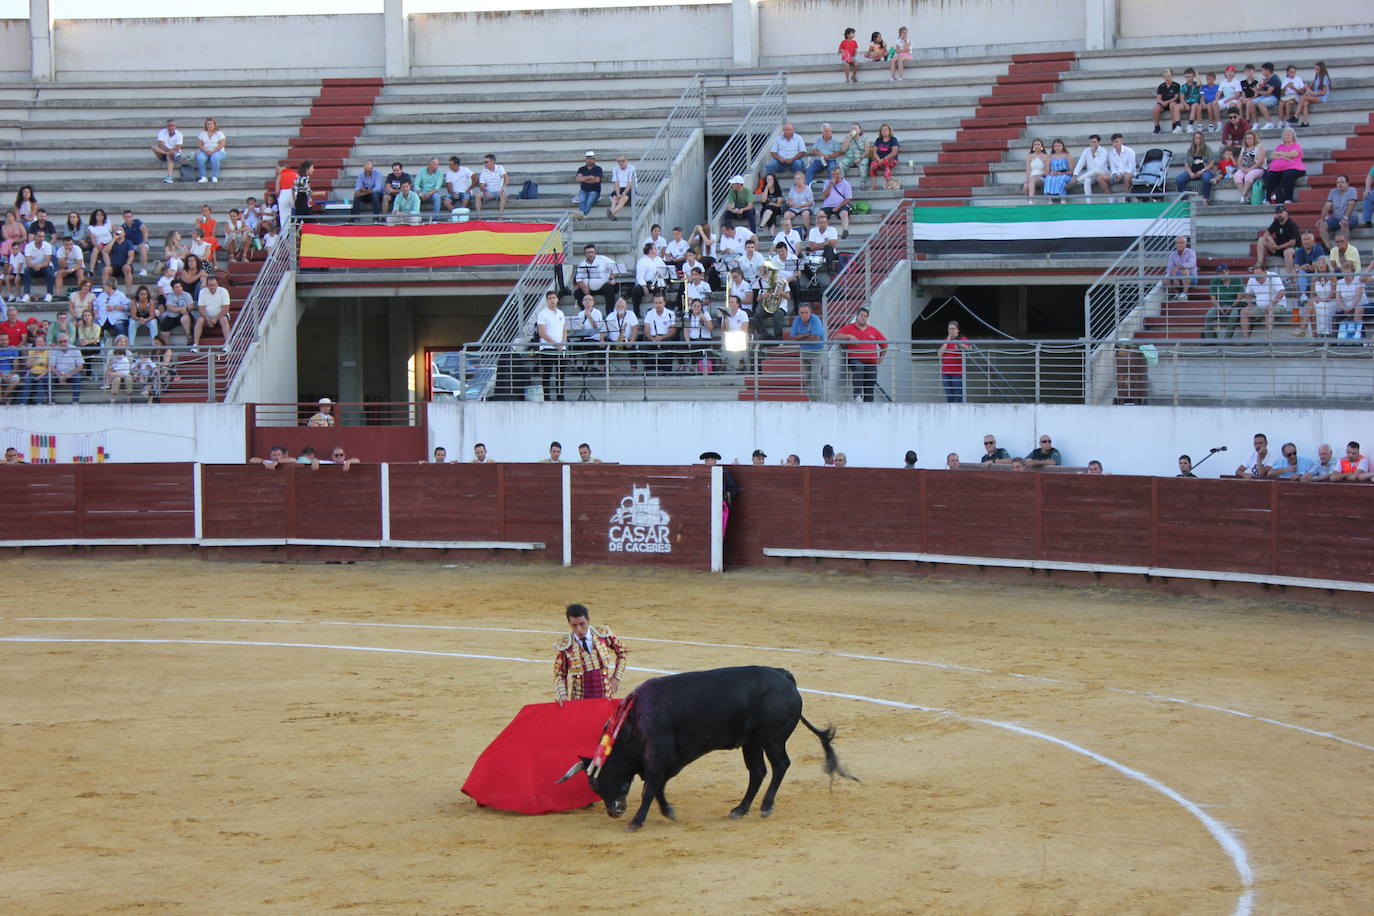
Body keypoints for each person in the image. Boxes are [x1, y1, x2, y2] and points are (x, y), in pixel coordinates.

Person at [553, 603, 627, 705]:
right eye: (574, 625)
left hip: (605, 695)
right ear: (569, 624)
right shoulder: (565, 645)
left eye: (582, 624)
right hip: (580, 699)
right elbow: (560, 674)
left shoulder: (603, 634)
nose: (579, 629)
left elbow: (622, 652)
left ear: (588, 620)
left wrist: (616, 677)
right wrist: (562, 693)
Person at [832, 306, 887, 402]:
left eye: (865, 316)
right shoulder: (849, 328)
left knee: (870, 386)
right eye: (861, 315)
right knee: (859, 368)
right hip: (856, 360)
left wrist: (881, 357)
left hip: (871, 362)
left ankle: (868, 408)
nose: (863, 317)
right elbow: (836, 336)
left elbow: (884, 344)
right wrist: (849, 336)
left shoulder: (873, 330)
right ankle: (857, 396)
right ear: (857, 316)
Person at [787, 302, 825, 398]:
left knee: (815, 375)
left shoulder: (815, 319)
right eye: (802, 313)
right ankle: (811, 399)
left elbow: (816, 338)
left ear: (810, 312)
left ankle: (819, 399)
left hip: (817, 352)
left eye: (806, 312)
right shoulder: (797, 320)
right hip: (804, 352)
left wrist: (801, 338)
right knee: (807, 377)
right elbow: (793, 337)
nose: (804, 315)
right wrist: (807, 334)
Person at [1237, 264, 1286, 338]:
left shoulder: (1273, 276)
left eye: (1259, 275)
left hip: (1278, 305)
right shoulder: (1252, 279)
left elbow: (1281, 292)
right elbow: (1247, 293)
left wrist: (1271, 304)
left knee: (1268, 310)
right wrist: (1250, 304)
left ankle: (1268, 339)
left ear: (1266, 272)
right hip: (1260, 307)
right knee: (1244, 312)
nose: (1257, 278)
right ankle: (1245, 339)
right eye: (1256, 275)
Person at [535, 290, 567, 400]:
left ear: (557, 299)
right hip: (548, 348)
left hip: (561, 348)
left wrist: (562, 343)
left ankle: (560, 396)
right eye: (550, 298)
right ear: (547, 301)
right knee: (547, 373)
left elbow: (564, 330)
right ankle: (546, 397)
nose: (552, 300)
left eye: (554, 298)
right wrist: (555, 344)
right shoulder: (542, 314)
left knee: (561, 373)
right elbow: (542, 333)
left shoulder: (560, 313)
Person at [1261, 128, 1304, 205]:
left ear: (1293, 136)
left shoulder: (1296, 146)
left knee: (1288, 175)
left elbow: (1293, 154)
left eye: (1289, 135)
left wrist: (1279, 154)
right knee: (1270, 175)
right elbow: (1272, 156)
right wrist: (1285, 156)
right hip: (1277, 169)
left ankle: (1288, 199)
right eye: (1285, 135)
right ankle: (1268, 198)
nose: (1287, 136)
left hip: (1294, 168)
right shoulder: (1279, 146)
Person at [191, 273, 232, 351]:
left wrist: (215, 318)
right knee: (200, 320)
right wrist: (207, 318)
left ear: (217, 284)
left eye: (214, 285)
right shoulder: (202, 292)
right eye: (210, 285)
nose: (213, 287)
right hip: (207, 316)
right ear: (207, 285)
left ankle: (228, 343)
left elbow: (225, 308)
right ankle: (195, 345)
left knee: (223, 319)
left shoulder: (223, 291)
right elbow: (201, 308)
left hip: (221, 315)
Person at [700, 450, 739, 531]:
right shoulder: (700, 473)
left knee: (719, 528)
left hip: (720, 505)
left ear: (715, 461)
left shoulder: (724, 473)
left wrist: (724, 497)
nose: (710, 462)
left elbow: (733, 489)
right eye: (708, 460)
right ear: (705, 461)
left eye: (712, 460)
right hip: (703, 505)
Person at [572, 243, 618, 311]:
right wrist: (587, 293)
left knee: (609, 288)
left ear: (595, 252)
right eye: (588, 252)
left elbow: (616, 267)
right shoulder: (582, 264)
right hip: (589, 289)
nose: (590, 254)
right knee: (577, 293)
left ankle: (610, 313)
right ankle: (586, 312)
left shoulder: (602, 259)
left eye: (592, 252)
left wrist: (611, 278)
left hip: (604, 287)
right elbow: (579, 281)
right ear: (585, 254)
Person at [1254, 205, 1299, 273]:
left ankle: (1289, 277)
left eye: (1281, 212)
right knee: (1261, 240)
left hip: (1292, 248)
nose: (1279, 214)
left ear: (1286, 213)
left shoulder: (1292, 224)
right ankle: (1259, 264)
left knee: (1287, 252)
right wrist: (1270, 239)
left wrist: (1278, 247)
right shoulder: (1276, 222)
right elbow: (1266, 233)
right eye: (1277, 213)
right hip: (1278, 247)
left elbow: (1292, 242)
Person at [1203, 263, 1243, 338]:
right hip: (1219, 305)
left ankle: (1227, 339)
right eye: (1219, 273)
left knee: (1234, 315)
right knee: (1209, 315)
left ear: (1228, 271)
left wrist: (1231, 306)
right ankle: (1209, 339)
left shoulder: (1237, 280)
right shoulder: (1214, 281)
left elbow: (1239, 297)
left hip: (1233, 305)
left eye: (1223, 272)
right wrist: (1219, 307)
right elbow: (1213, 298)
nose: (1221, 275)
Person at [1174, 132, 1216, 204]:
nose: (1197, 140)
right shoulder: (1190, 150)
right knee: (1179, 179)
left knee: (1206, 178)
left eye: (1199, 138)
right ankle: (1184, 199)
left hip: (1204, 171)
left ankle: (1206, 199)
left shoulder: (1207, 149)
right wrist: (1190, 173)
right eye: (1195, 138)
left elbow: (1212, 163)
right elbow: (1186, 164)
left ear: (1202, 139)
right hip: (1192, 171)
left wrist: (1202, 171)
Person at [1317, 174, 1357, 250]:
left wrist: (1345, 218)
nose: (1340, 184)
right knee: (1321, 225)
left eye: (1342, 182)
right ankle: (1329, 248)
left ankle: (1344, 248)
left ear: (1347, 183)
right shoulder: (1333, 191)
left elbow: (1351, 205)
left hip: (1351, 217)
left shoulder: (1352, 190)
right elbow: (1327, 205)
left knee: (1344, 224)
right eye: (1338, 182)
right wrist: (1322, 219)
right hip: (1336, 218)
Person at [938, 320, 971, 402]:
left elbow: (968, 349)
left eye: (953, 329)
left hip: (957, 373)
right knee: (949, 397)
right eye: (949, 329)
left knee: (959, 396)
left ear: (958, 330)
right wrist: (947, 340)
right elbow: (939, 354)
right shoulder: (946, 341)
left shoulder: (963, 339)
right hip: (945, 373)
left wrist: (958, 343)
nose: (951, 331)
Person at [1071, 134, 1110, 200]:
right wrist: (1075, 174)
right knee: (1087, 180)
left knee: (1096, 170)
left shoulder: (1104, 151)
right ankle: (1088, 202)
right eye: (1091, 142)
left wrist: (1093, 154)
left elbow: (1099, 165)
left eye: (1094, 142)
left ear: (1098, 142)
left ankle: (1078, 180)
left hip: (1102, 173)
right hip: (1091, 175)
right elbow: (1080, 163)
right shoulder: (1086, 151)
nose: (1092, 144)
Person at [21, 229, 55, 302]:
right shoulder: (28, 246)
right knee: (27, 270)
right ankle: (27, 294)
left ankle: (49, 294)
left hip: (44, 267)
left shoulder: (47, 245)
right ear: (35, 237)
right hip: (33, 267)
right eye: (39, 236)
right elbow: (28, 262)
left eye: (43, 236)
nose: (41, 238)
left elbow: (47, 261)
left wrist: (40, 266)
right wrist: (34, 266)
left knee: (49, 270)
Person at [819, 166, 854, 238]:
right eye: (833, 175)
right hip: (828, 205)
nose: (835, 176)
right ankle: (821, 232)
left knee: (844, 213)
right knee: (820, 213)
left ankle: (845, 230)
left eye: (837, 174)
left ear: (840, 174)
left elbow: (848, 199)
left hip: (841, 205)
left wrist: (838, 207)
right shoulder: (827, 183)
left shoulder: (846, 184)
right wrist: (830, 185)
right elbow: (824, 195)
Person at [1245, 62, 1281, 130]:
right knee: (1250, 103)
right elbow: (1262, 89)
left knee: (1261, 104)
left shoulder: (1274, 79)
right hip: (1266, 97)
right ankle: (1256, 124)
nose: (1262, 72)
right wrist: (1259, 87)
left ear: (1267, 70)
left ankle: (1269, 123)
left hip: (1274, 97)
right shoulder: (1266, 79)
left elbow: (1268, 92)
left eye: (1263, 70)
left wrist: (1257, 91)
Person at [1296, 61, 1330, 128]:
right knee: (1305, 103)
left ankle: (1296, 116)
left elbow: (1324, 92)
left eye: (1317, 69)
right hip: (1315, 97)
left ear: (1322, 69)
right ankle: (1305, 122)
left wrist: (1312, 93)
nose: (1316, 71)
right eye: (1315, 69)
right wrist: (1306, 87)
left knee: (1303, 98)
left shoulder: (1325, 78)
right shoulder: (1317, 77)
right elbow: (1310, 86)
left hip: (1321, 98)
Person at [1151, 68, 1184, 134]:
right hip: (1164, 104)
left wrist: (1167, 102)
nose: (1167, 78)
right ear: (1163, 77)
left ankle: (1174, 125)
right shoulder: (1161, 86)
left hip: (1172, 103)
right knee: (1155, 108)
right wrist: (1162, 102)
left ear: (1172, 76)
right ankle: (1157, 127)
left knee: (1172, 104)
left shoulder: (1176, 85)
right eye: (1165, 76)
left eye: (1169, 76)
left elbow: (1176, 97)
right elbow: (1158, 98)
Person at [1165, 235, 1198, 300]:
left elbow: (1191, 264)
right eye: (1177, 243)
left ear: (1185, 244)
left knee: (1185, 271)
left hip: (1191, 278)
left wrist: (1177, 268)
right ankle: (1176, 293)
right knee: (1164, 280)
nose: (1179, 245)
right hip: (1177, 278)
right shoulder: (1172, 254)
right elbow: (1169, 268)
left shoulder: (1191, 252)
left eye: (1181, 243)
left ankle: (1184, 294)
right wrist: (1174, 278)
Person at [195, 117, 227, 183]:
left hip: (218, 151)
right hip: (206, 151)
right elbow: (199, 145)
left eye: (211, 124)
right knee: (200, 157)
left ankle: (214, 177)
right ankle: (203, 177)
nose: (209, 125)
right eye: (208, 124)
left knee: (214, 157)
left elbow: (221, 145)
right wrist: (205, 151)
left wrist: (213, 151)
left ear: (214, 125)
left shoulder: (219, 133)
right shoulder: (202, 133)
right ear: (206, 125)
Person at [869, 123, 900, 188]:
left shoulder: (893, 139)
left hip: (891, 160)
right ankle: (873, 185)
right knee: (873, 165)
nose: (884, 131)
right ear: (880, 132)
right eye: (882, 130)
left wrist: (883, 159)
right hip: (879, 160)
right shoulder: (878, 140)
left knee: (886, 163)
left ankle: (889, 183)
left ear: (889, 131)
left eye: (886, 129)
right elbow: (874, 153)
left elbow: (894, 152)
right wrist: (878, 160)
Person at [1106, 133, 1136, 202]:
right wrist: (1115, 174)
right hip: (1117, 175)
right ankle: (1110, 198)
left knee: (1127, 176)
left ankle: (1126, 198)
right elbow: (1112, 167)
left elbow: (1131, 167)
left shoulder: (1130, 151)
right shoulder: (1111, 153)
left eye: (1117, 142)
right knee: (1101, 178)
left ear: (1121, 141)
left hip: (1127, 174)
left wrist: (1122, 174)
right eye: (1113, 142)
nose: (1115, 144)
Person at [152, 118, 183, 183]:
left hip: (175, 154)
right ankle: (167, 154)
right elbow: (161, 144)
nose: (171, 127)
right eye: (169, 126)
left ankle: (169, 177)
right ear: (166, 126)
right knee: (154, 147)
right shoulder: (162, 132)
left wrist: (171, 152)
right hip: (164, 152)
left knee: (169, 156)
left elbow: (178, 148)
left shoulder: (179, 135)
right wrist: (169, 152)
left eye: (172, 126)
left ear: (175, 126)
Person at [573, 151, 603, 220]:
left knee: (589, 201)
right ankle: (582, 214)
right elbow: (578, 179)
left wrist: (584, 179)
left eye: (591, 158)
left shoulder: (598, 169)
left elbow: (597, 180)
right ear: (586, 159)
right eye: (588, 158)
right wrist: (589, 177)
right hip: (584, 190)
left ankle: (582, 214)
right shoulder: (581, 169)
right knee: (582, 200)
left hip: (595, 191)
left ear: (594, 159)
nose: (589, 160)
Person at [606, 154, 635, 221]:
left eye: (622, 161)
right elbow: (616, 182)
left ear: (626, 160)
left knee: (623, 199)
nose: (620, 163)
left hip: (629, 189)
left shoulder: (631, 168)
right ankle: (612, 215)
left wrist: (624, 193)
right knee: (614, 198)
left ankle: (611, 213)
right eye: (619, 161)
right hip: (620, 188)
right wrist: (618, 193)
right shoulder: (615, 169)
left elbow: (630, 183)